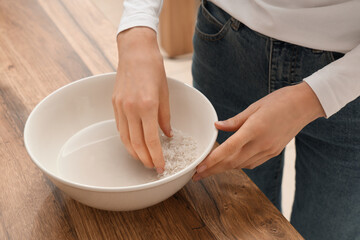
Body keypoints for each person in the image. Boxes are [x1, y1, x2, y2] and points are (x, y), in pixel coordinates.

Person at [112, 0, 360, 239]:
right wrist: (137, 27)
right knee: (224, 224)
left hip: (350, 73)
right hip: (226, 43)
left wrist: (318, 97)